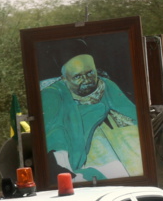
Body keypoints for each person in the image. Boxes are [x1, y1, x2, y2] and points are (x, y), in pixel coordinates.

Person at [41, 54, 143, 182]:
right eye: (78, 76)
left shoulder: (104, 84)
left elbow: (131, 113)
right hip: (76, 153)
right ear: (64, 79)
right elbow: (55, 131)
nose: (86, 79)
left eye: (90, 73)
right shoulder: (52, 94)